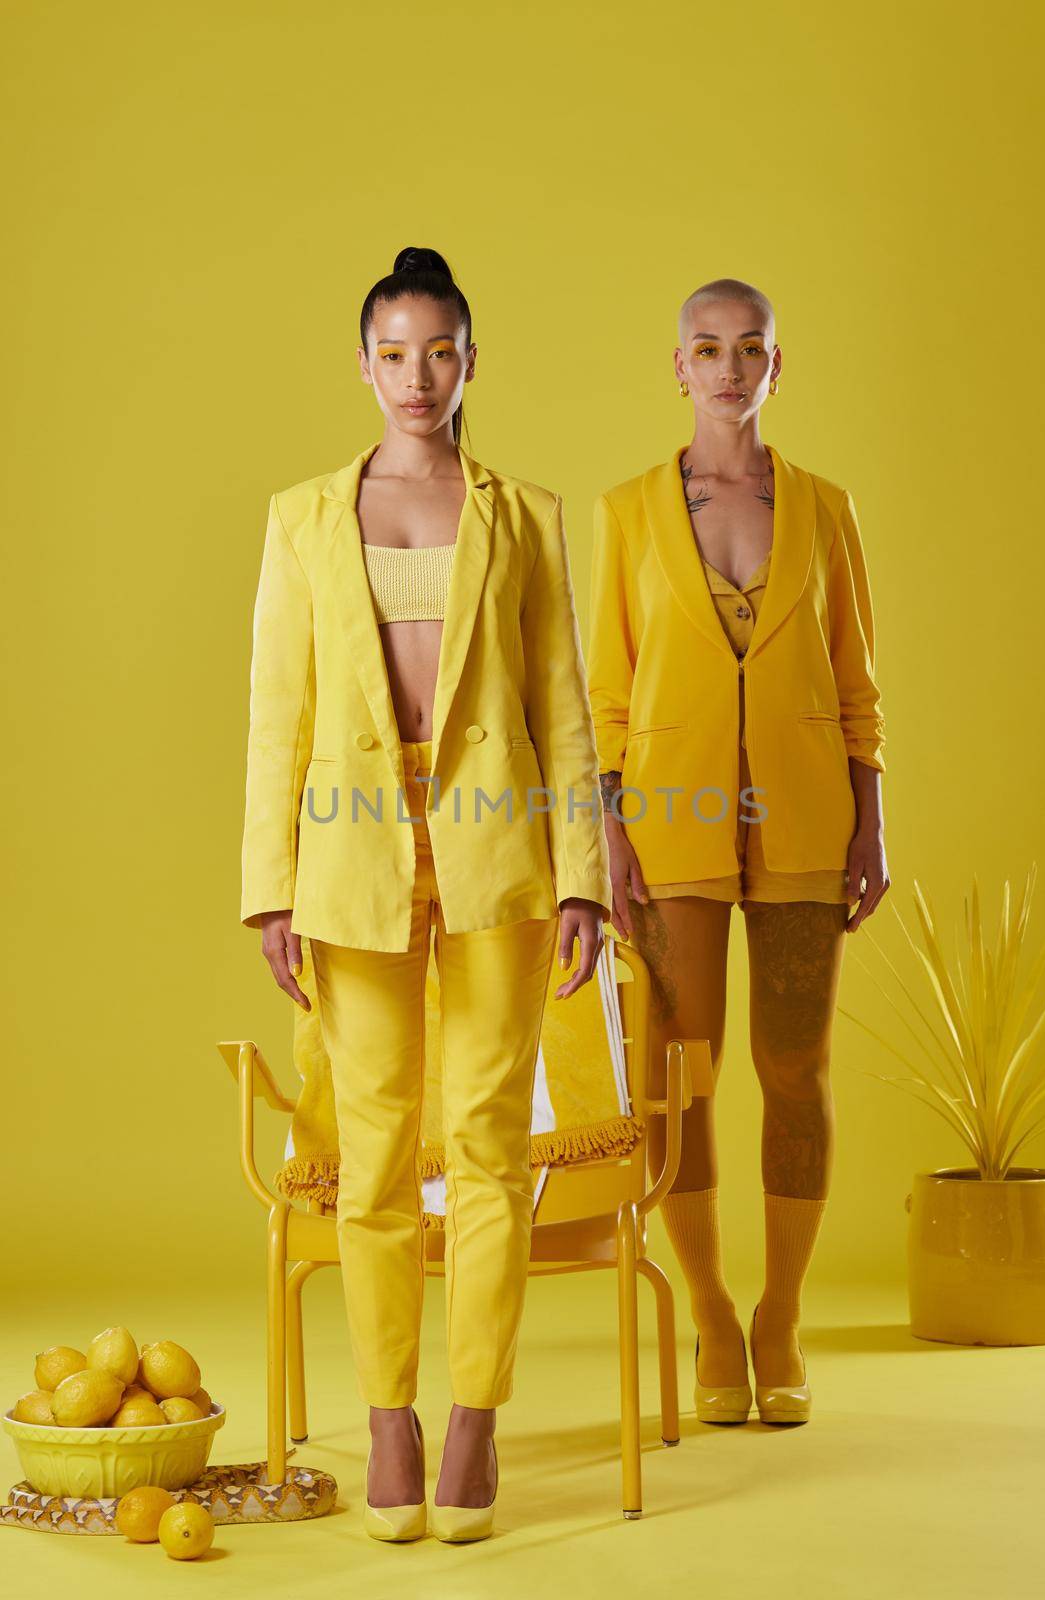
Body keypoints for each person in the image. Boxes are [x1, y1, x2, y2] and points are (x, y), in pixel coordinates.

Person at [240, 246, 611, 1540]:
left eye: (439, 350)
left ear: (470, 360)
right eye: (392, 352)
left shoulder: (525, 515)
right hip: (349, 859)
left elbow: (562, 709)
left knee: (492, 1150)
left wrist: (584, 881)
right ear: (361, 363)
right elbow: (273, 716)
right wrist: (269, 891)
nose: (416, 375)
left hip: (499, 855)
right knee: (377, 1155)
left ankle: (475, 1420)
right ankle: (389, 1415)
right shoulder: (300, 517)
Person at [586, 277, 889, 1427]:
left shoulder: (824, 508)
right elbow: (605, 695)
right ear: (676, 367)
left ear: (775, 365)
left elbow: (857, 683)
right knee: (680, 1075)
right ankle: (712, 1310)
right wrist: (608, 827)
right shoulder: (624, 514)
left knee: (793, 1069)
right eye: (704, 348)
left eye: (747, 346)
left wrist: (874, 816)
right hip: (669, 821)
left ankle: (781, 1316)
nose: (726, 366)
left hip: (807, 818)